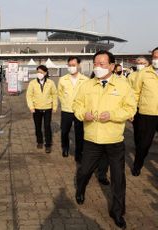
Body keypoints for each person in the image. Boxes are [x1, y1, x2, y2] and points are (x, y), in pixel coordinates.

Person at [72, 50, 136, 229]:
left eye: (102, 64)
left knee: (118, 177)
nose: (98, 67)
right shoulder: (87, 85)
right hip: (92, 138)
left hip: (114, 139)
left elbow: (131, 109)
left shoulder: (123, 85)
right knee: (84, 171)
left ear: (112, 66)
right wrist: (83, 114)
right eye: (96, 64)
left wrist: (113, 115)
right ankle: (80, 189)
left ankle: (117, 212)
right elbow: (77, 104)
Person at [132, 47, 158, 177]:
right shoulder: (144, 73)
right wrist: (132, 110)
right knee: (144, 144)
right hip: (147, 113)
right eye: (154, 57)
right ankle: (137, 165)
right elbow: (136, 92)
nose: (156, 60)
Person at [58, 56, 88, 162]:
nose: (71, 67)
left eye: (73, 65)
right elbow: (60, 93)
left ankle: (79, 153)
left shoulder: (85, 80)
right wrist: (65, 102)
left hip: (79, 111)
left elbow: (87, 95)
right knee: (64, 131)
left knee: (79, 133)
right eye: (69, 65)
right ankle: (65, 148)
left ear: (78, 65)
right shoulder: (63, 79)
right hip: (67, 110)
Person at [26, 65, 57, 154]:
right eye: (38, 72)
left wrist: (54, 106)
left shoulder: (50, 83)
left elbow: (54, 95)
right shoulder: (32, 83)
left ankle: (48, 144)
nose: (39, 74)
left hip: (47, 108)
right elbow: (29, 95)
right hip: (36, 109)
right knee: (38, 127)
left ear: (45, 73)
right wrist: (31, 107)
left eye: (41, 72)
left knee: (47, 126)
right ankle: (39, 141)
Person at [127, 57, 149, 149]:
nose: (140, 65)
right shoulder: (131, 76)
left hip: (150, 107)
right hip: (136, 106)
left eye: (142, 63)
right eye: (138, 63)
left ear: (147, 63)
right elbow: (128, 91)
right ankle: (138, 147)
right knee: (137, 129)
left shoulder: (151, 74)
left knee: (148, 130)